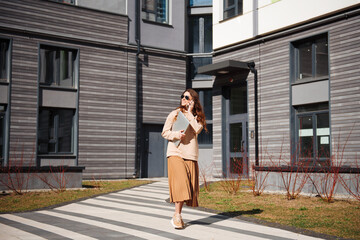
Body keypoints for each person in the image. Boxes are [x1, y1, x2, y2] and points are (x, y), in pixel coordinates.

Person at [161, 89, 207, 229]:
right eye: (182, 96)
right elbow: (165, 132)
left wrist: (189, 112)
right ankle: (177, 216)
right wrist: (176, 135)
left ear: (192, 100)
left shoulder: (197, 117)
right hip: (175, 152)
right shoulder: (174, 114)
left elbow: (198, 129)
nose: (183, 99)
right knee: (181, 183)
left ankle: (178, 214)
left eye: (186, 97)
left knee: (188, 187)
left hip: (190, 154)